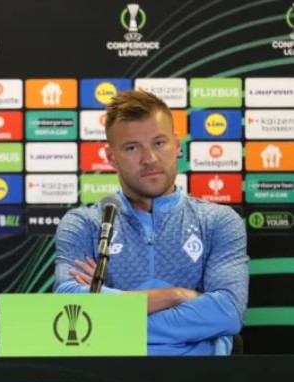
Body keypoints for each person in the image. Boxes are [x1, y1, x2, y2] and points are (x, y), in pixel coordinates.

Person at [53, 90, 248, 355]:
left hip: (201, 376)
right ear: (111, 157)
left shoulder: (217, 221)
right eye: (132, 148)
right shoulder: (84, 224)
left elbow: (227, 312)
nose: (150, 159)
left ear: (176, 145)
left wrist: (106, 308)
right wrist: (176, 295)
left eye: (159, 143)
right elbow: (67, 303)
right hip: (110, 375)